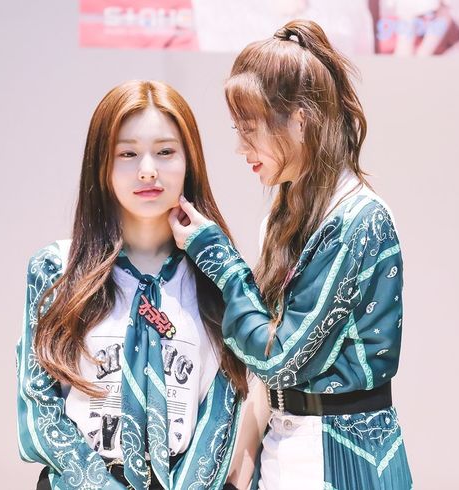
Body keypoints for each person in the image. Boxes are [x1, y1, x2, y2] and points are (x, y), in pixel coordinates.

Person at [169, 20, 413, 490]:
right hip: (287, 449)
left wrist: (217, 257)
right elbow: (271, 362)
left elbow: (282, 357)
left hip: (348, 459)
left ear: (300, 119)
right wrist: (246, 447)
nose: (240, 147)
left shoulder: (358, 220)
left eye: (251, 129)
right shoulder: (284, 213)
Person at [16, 80, 248, 490]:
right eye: (127, 153)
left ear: (189, 162)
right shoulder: (56, 270)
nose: (147, 169)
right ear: (101, 166)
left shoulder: (217, 275)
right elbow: (40, 405)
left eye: (165, 152)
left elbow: (221, 413)